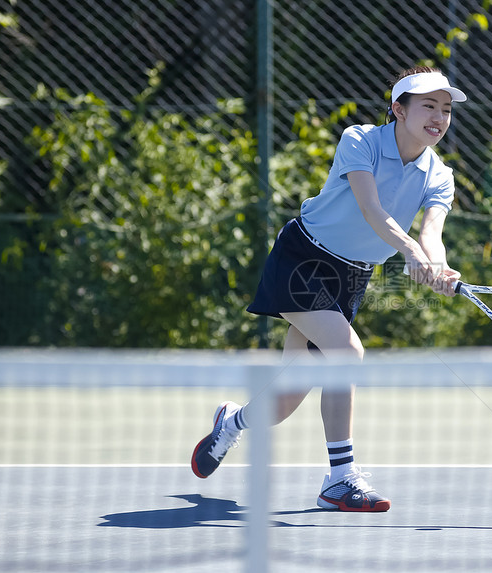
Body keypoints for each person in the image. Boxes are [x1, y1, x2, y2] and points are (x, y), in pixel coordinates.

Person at [191, 66, 466, 512]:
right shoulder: (359, 140)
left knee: (284, 400)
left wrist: (438, 264)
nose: (439, 117)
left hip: (351, 278)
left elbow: (432, 233)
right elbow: (371, 208)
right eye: (428, 106)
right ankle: (339, 480)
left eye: (447, 109)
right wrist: (410, 251)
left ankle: (231, 422)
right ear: (398, 109)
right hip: (303, 260)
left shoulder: (440, 175)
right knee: (348, 354)